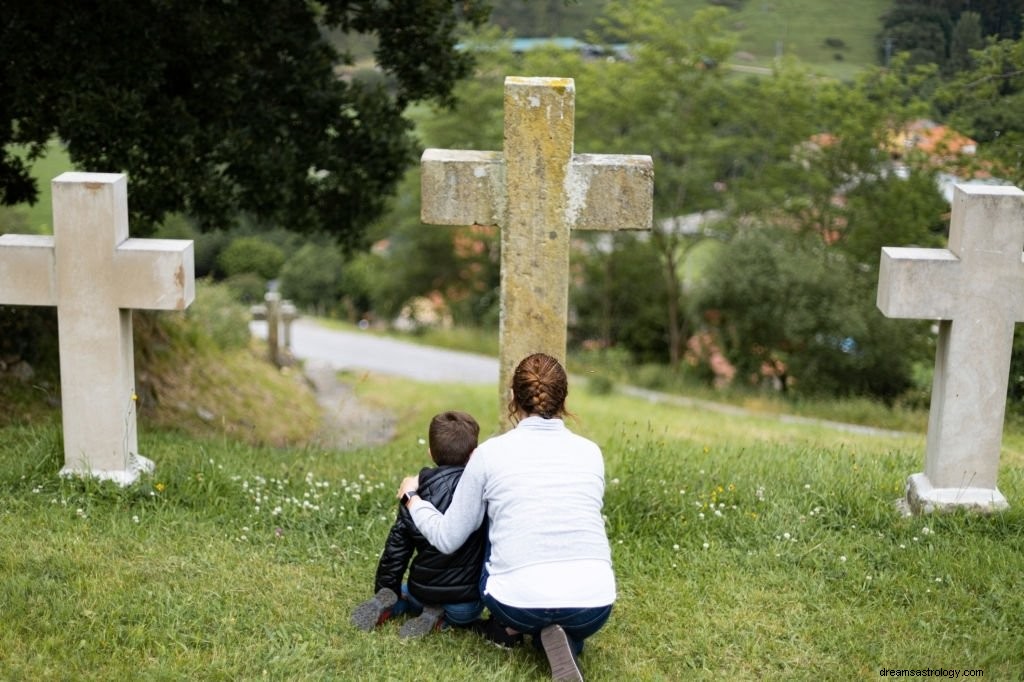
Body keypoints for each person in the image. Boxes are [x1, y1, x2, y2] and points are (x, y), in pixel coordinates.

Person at [398, 353, 614, 682]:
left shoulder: (489, 454)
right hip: (594, 605)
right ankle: (563, 636)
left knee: (489, 521)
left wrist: (413, 499)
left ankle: (510, 629)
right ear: (564, 398)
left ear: (512, 397)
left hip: (516, 602)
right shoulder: (591, 452)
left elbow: (448, 537)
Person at [352, 410, 487, 638]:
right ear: (474, 455)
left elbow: (396, 550)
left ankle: (392, 601)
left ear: (430, 453)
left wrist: (387, 586)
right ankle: (439, 617)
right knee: (464, 611)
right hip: (464, 602)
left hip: (421, 590)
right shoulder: (481, 492)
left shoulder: (414, 493)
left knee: (405, 593)